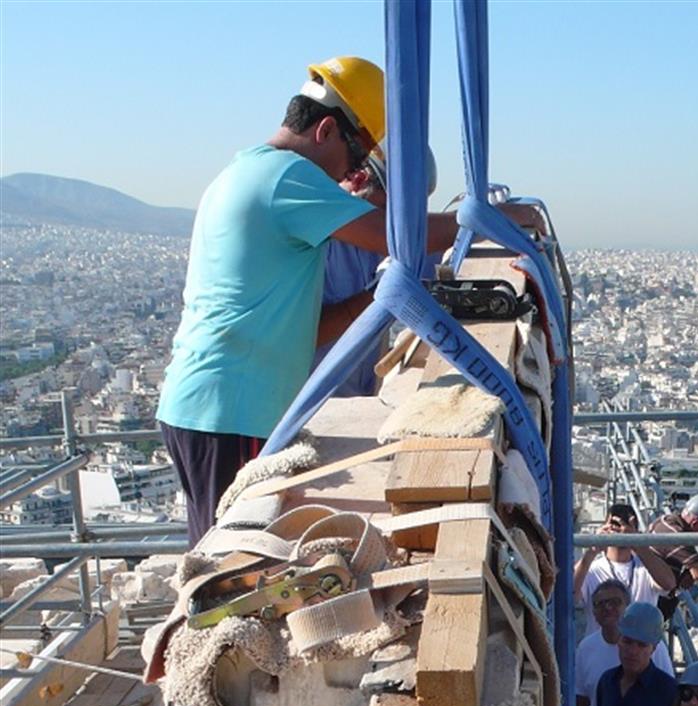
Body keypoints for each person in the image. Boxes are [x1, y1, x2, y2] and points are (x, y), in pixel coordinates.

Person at [157, 57, 506, 544]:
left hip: (214, 407)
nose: (354, 170)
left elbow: (308, 328)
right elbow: (397, 237)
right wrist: (489, 219)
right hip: (233, 410)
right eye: (358, 154)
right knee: (232, 566)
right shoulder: (287, 178)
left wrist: (383, 296)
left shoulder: (249, 170)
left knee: (229, 553)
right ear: (325, 130)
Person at [311, 145, 440, 397]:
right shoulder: (313, 245)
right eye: (388, 213)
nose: (394, 227)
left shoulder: (400, 240)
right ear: (357, 182)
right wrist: (380, 295)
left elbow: (448, 248)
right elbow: (303, 336)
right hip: (307, 414)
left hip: (365, 409)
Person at [574, 504, 676, 635]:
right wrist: (591, 551)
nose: (617, 529)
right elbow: (570, 593)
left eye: (623, 524)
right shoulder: (591, 568)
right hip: (602, 648)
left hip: (641, 650)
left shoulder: (647, 567)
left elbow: (669, 584)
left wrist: (635, 542)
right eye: (613, 524)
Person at [649, 492, 698, 616]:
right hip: (652, 601)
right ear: (697, 523)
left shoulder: (665, 521)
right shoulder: (677, 536)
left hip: (648, 594)